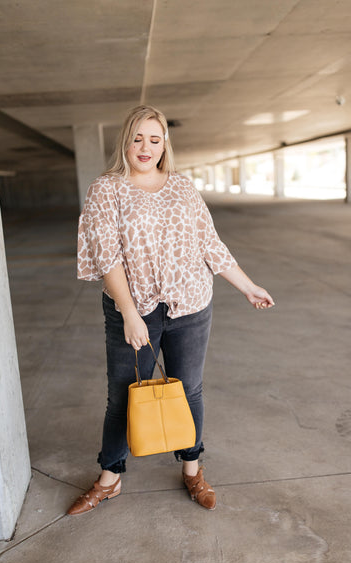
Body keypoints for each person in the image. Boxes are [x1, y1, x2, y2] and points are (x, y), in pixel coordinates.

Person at [67, 105, 274, 515]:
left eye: (155, 139)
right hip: (133, 309)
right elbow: (107, 257)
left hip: (191, 306)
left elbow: (209, 243)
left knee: (189, 389)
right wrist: (129, 314)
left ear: (165, 144)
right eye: (138, 138)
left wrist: (248, 287)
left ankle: (192, 470)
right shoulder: (105, 189)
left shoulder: (182, 187)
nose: (146, 147)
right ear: (125, 141)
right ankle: (109, 478)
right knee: (122, 396)